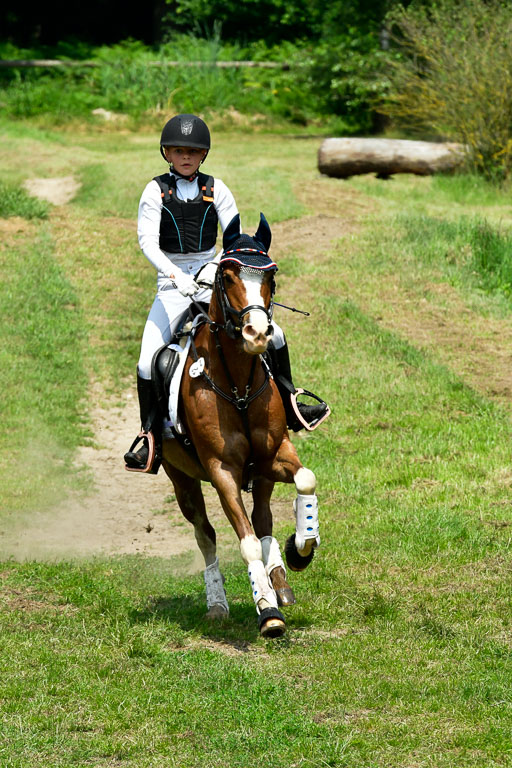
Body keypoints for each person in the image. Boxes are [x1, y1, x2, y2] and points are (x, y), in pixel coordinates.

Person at [124, 113, 329, 473]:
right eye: (178, 150)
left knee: (275, 334)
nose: (185, 157)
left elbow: (233, 241)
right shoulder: (155, 191)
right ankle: (150, 436)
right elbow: (148, 243)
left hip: (210, 275)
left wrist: (213, 268)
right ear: (166, 153)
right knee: (146, 361)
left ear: (203, 154)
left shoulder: (217, 188)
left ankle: (291, 403)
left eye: (192, 151)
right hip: (171, 284)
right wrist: (176, 275)